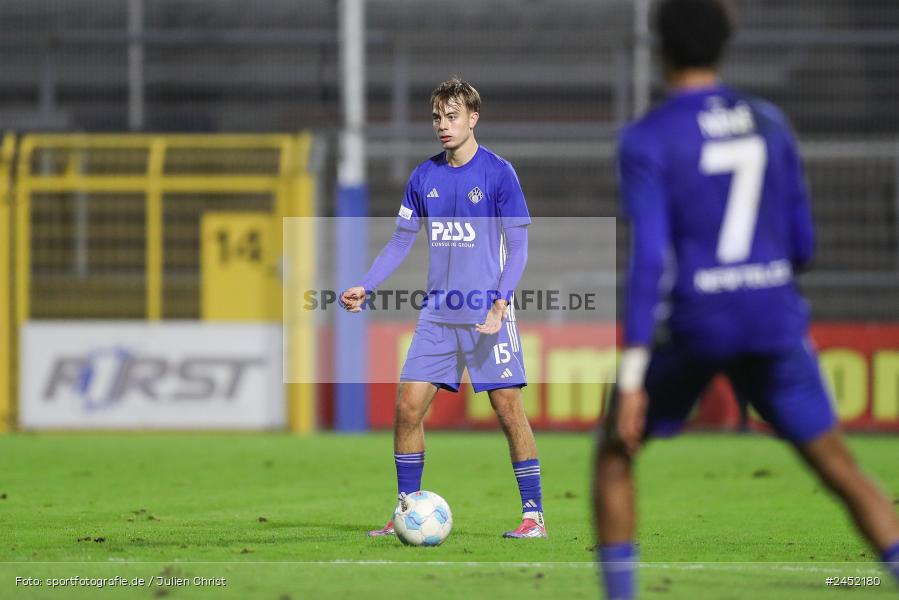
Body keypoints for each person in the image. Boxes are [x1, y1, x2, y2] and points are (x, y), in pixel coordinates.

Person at [593, 0, 899, 597]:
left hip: (699, 323)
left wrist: (631, 375)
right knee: (839, 467)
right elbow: (803, 243)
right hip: (771, 318)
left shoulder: (647, 138)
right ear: (724, 43)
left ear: (658, 48)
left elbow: (650, 260)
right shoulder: (769, 121)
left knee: (614, 453)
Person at [340, 78, 546, 539]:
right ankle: (405, 512)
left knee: (508, 409)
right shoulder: (424, 176)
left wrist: (500, 303)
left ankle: (534, 517)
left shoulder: (498, 173)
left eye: (451, 116)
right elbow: (399, 240)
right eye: (437, 117)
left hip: (485, 313)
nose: (442, 125)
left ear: (473, 118)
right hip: (438, 314)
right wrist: (367, 285)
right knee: (407, 408)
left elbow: (519, 245)